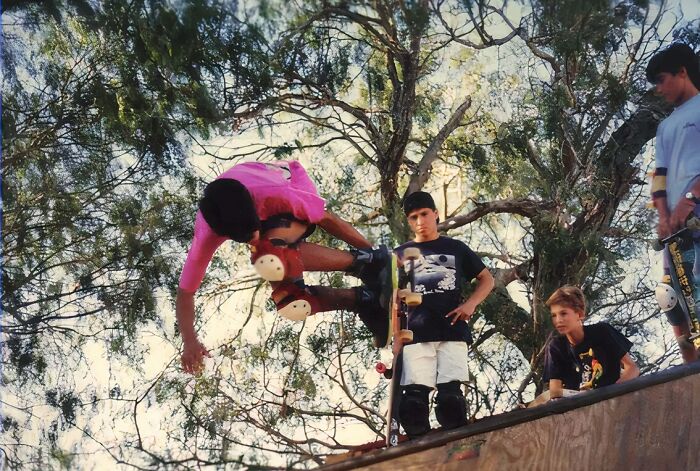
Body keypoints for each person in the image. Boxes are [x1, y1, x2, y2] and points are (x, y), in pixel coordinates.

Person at [177, 160, 389, 375]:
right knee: (291, 300)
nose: (253, 241)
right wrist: (189, 340)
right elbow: (185, 292)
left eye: (253, 233)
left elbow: (327, 219)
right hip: (257, 209)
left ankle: (369, 262)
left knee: (270, 250)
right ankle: (364, 300)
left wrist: (377, 258)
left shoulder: (276, 195)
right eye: (245, 239)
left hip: (291, 181)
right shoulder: (207, 229)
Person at [394, 191, 494, 438]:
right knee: (413, 402)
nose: (420, 221)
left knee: (451, 400)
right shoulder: (402, 253)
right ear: (408, 221)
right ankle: (420, 451)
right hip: (417, 334)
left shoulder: (455, 248)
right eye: (413, 217)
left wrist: (470, 304)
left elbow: (487, 279)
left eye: (425, 214)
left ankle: (455, 449)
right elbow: (385, 289)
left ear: (435, 214)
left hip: (453, 329)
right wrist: (394, 328)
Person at [646, 43, 700, 363]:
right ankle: (690, 369)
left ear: (683, 72)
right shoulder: (665, 126)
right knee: (670, 296)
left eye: (662, 79)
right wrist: (664, 215)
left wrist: (690, 200)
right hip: (675, 228)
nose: (659, 88)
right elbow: (660, 176)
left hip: (695, 215)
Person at [543, 286, 639, 395]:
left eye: (563, 313)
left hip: (612, 401)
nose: (558, 320)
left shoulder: (602, 332)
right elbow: (555, 392)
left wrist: (613, 392)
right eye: (554, 315)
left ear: (579, 314)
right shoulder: (556, 347)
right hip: (579, 407)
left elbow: (632, 369)